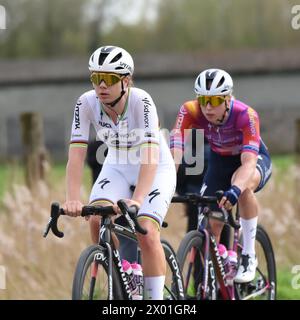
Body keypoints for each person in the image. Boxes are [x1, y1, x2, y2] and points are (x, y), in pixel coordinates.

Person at [63, 45, 176, 299]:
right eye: (96, 78)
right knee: (95, 219)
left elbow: (150, 155)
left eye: (110, 79)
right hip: (116, 164)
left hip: (154, 166)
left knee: (145, 231)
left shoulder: (141, 100)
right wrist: (72, 198)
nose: (101, 85)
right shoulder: (86, 102)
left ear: (126, 81)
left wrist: (138, 199)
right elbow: (76, 154)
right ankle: (123, 277)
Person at [170, 68, 272, 283]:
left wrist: (235, 189)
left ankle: (248, 255)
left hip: (251, 160)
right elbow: (176, 148)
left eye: (215, 100)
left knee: (242, 188)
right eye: (203, 100)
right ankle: (217, 281)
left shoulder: (246, 115)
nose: (207, 107)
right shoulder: (189, 110)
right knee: (208, 228)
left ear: (227, 99)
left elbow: (249, 163)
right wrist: (168, 180)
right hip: (220, 162)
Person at [86, 139, 138, 262]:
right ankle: (116, 270)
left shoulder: (96, 147)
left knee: (137, 248)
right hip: (112, 198)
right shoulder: (98, 147)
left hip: (131, 193)